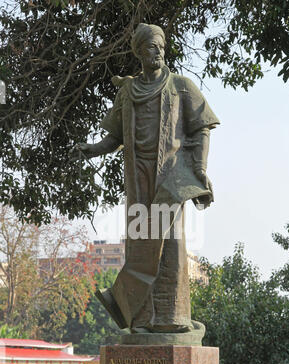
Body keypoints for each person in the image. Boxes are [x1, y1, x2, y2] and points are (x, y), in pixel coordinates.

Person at [70, 23, 220, 334]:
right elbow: (114, 137)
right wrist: (93, 149)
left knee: (171, 242)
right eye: (152, 46)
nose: (159, 51)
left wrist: (200, 167)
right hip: (138, 177)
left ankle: (173, 316)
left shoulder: (181, 86)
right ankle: (139, 318)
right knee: (140, 243)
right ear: (140, 51)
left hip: (171, 178)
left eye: (161, 46)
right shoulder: (128, 91)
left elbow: (202, 127)